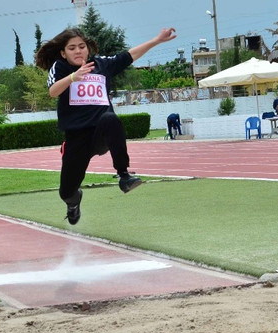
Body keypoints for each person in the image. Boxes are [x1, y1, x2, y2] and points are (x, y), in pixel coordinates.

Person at [34, 26, 176, 225]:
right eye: (72, 48)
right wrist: (74, 77)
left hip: (100, 133)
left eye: (81, 46)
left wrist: (157, 40)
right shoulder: (60, 67)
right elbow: (53, 91)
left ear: (88, 49)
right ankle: (74, 203)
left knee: (110, 119)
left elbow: (129, 55)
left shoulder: (101, 65)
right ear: (63, 52)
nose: (78, 51)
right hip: (77, 139)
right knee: (66, 192)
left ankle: (124, 175)